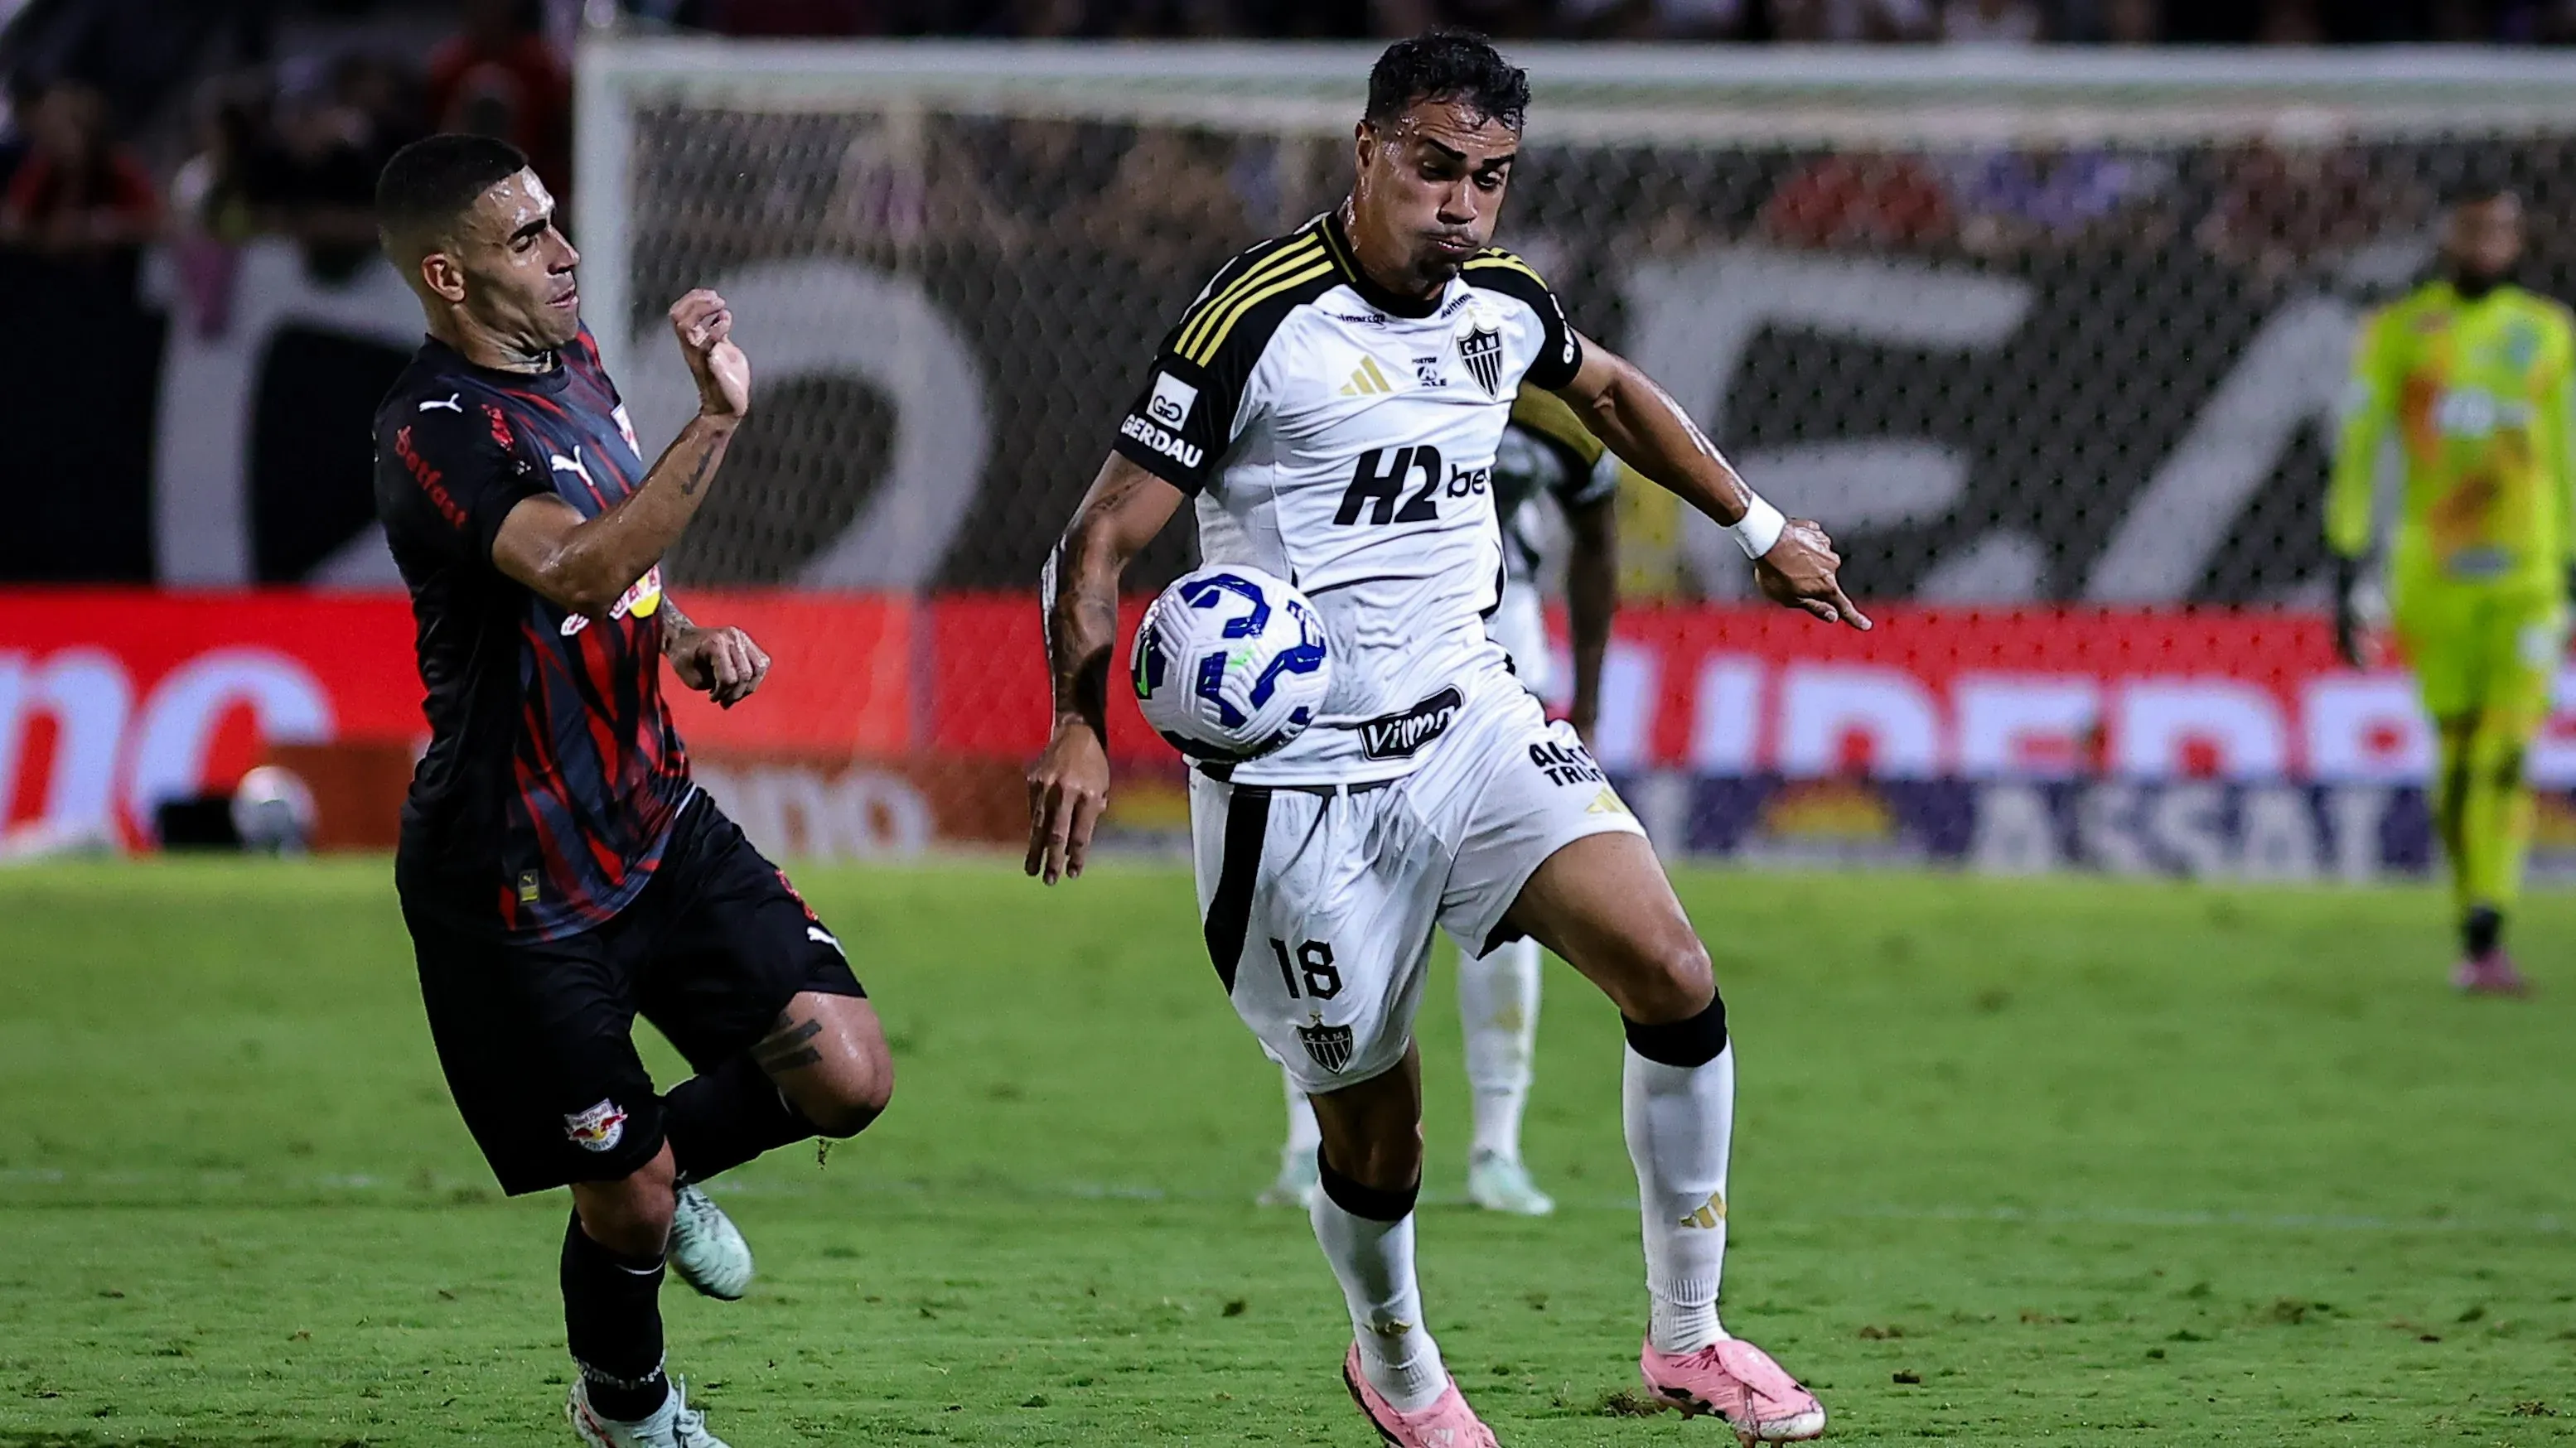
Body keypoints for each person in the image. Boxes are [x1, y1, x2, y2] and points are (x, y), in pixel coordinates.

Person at [1027, 33, 1863, 1446]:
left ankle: (1688, 1334)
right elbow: (1100, 535)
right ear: (1365, 153)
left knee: (1670, 970)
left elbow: (1603, 391)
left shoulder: (1501, 307)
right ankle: (1398, 1362)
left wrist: (1759, 527)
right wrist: (1076, 724)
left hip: (1470, 722)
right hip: (1295, 787)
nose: (1460, 204)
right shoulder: (1253, 318)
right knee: (1378, 1138)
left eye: (1488, 177)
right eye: (1431, 169)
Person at [370, 134, 894, 1448]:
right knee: (635, 1208)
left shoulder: (578, 362)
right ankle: (629, 1413)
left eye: (555, 223)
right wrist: (716, 418)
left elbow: (621, 579)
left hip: (653, 821)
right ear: (446, 276)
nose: (565, 254)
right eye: (526, 239)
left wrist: (683, 635)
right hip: (517, 882)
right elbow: (577, 570)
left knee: (846, 1076)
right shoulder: (434, 433)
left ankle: (640, 1157)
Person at [1259, 381, 1624, 1218]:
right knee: (1320, 897)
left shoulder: (1537, 387)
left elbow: (1597, 532)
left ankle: (1498, 1142)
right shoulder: (1322, 359)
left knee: (1511, 902)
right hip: (1355, 655)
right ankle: (1305, 1140)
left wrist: (1591, 702)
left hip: (1499, 649)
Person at [2330, 181, 2574, 997]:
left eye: (2500, 227)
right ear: (2447, 232)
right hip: (2431, 577)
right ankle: (2473, 922)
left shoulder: (2546, 332)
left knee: (2506, 752)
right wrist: (2346, 554)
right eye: (2472, 226)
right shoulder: (2400, 330)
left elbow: (2567, 449)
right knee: (2458, 754)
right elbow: (2359, 449)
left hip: (2527, 575)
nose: (2486, 241)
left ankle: (2487, 924)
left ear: (2516, 238)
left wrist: (2570, 558)